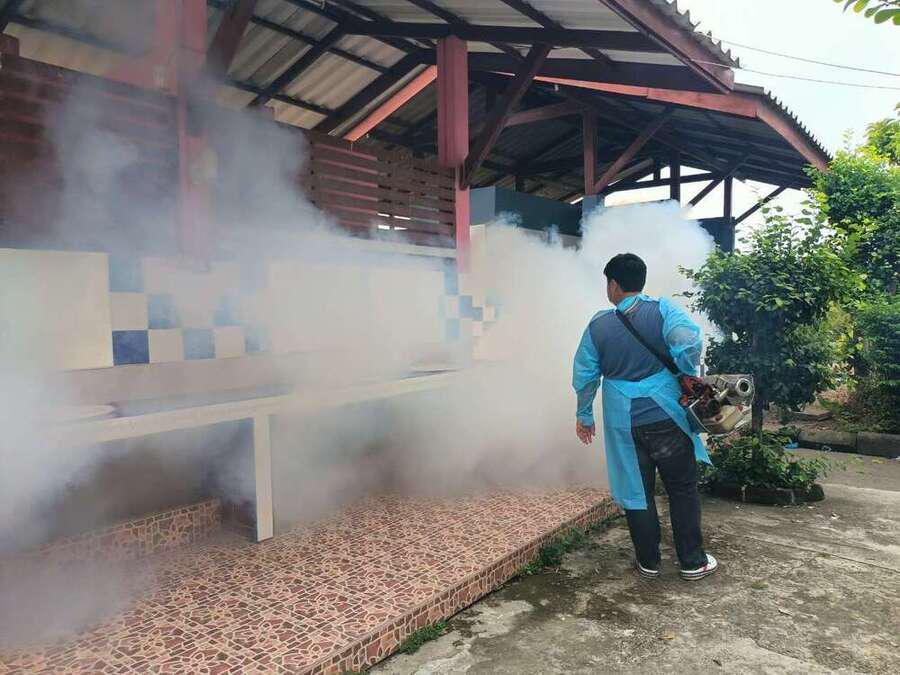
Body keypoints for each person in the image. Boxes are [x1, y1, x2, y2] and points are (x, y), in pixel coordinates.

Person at [572, 253, 717, 581]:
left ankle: (648, 562)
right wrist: (685, 370)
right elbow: (689, 340)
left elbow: (585, 377)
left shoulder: (598, 325)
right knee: (682, 488)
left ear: (613, 285)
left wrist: (584, 416)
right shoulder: (663, 309)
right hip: (667, 418)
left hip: (624, 424)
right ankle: (692, 562)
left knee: (637, 492)